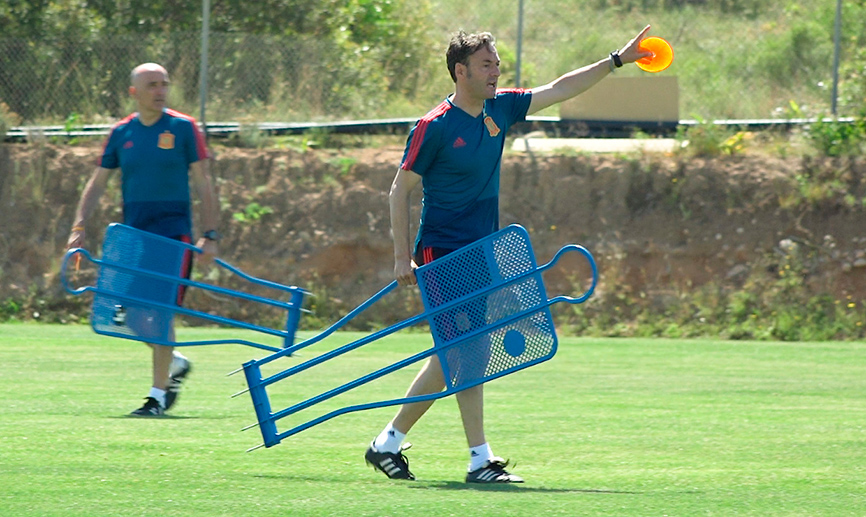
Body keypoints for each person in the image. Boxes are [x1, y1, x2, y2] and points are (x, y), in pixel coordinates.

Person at [365, 26, 653, 483]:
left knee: (461, 352)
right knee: (464, 350)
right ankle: (476, 458)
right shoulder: (434, 125)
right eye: (486, 64)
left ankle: (389, 443)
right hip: (442, 253)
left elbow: (560, 89)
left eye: (496, 63)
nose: (496, 70)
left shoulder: (500, 107)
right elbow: (399, 190)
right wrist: (403, 257)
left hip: (482, 251)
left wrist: (617, 60)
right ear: (461, 72)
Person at [66, 63, 221, 417]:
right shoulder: (122, 132)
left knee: (161, 311)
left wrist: (210, 235)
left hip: (173, 236)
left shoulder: (183, 128)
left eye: (164, 84)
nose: (160, 90)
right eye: (151, 85)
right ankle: (175, 363)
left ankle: (157, 397)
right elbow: (98, 182)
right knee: (128, 314)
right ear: (134, 92)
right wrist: (79, 226)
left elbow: (203, 182)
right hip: (135, 237)